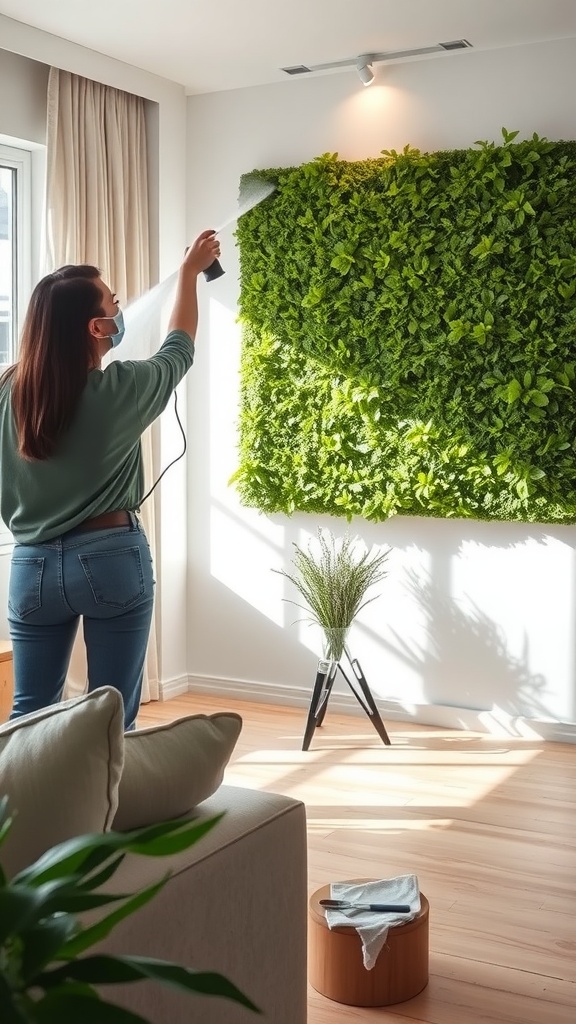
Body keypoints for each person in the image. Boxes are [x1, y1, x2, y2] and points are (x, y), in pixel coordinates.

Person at [0, 229, 220, 730]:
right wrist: (188, 274)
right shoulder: (120, 389)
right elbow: (179, 348)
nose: (122, 311)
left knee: (27, 716)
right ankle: (111, 812)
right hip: (109, 560)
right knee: (112, 718)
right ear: (98, 328)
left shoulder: (4, 391)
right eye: (115, 304)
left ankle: (19, 811)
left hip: (30, 566)